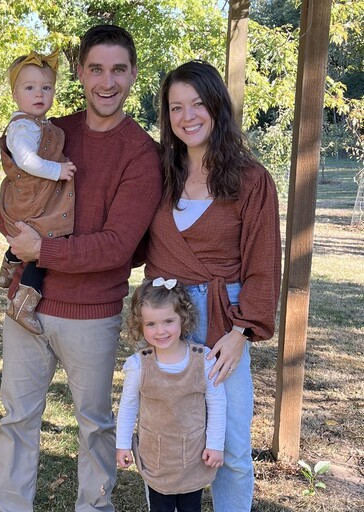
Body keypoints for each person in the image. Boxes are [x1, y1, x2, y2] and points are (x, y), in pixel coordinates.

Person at [0, 25, 163, 512]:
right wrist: (13, 227)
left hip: (90, 313)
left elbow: (117, 247)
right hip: (26, 305)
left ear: (133, 74)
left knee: (94, 425)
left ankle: (94, 507)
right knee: (17, 419)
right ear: (81, 73)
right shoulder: (49, 132)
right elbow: (13, 203)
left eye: (118, 70)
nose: (107, 82)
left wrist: (40, 250)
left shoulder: (141, 153)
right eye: (96, 69)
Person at [144, 60, 282, 512]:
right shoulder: (159, 174)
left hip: (224, 319)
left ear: (218, 107)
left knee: (232, 446)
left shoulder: (250, 179)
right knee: (165, 438)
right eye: (176, 107)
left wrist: (241, 332)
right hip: (166, 317)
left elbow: (263, 262)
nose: (187, 116)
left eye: (198, 103)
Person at [116, 278, 226, 512]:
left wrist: (215, 445)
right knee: (160, 507)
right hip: (156, 456)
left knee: (190, 507)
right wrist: (122, 444)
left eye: (168, 321)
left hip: (194, 454)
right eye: (151, 324)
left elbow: (217, 404)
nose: (161, 331)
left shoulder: (203, 360)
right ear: (140, 325)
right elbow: (128, 406)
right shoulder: (138, 365)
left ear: (182, 318)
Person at [0, 49, 76, 335]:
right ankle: (23, 305)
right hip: (30, 197)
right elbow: (27, 160)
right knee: (44, 245)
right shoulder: (22, 128)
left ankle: (8, 268)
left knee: (32, 236)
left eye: (46, 87)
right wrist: (57, 170)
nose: (39, 94)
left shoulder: (37, 124)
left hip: (35, 196)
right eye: (29, 88)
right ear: (15, 94)